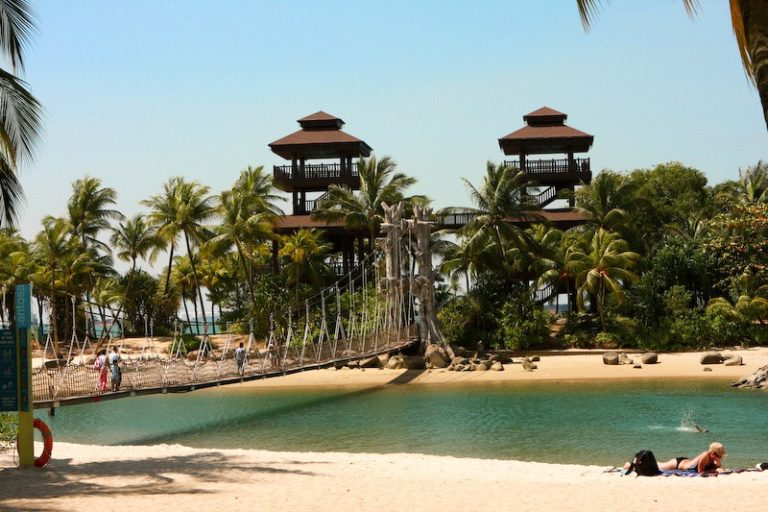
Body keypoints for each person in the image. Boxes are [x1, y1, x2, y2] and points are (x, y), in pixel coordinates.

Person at [658, 442, 727, 473]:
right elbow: (700, 472)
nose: (720, 457)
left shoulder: (713, 458)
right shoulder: (705, 455)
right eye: (718, 455)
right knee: (659, 466)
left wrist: (718, 465)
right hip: (678, 464)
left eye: (721, 456)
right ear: (712, 453)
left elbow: (716, 467)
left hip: (686, 461)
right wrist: (714, 470)